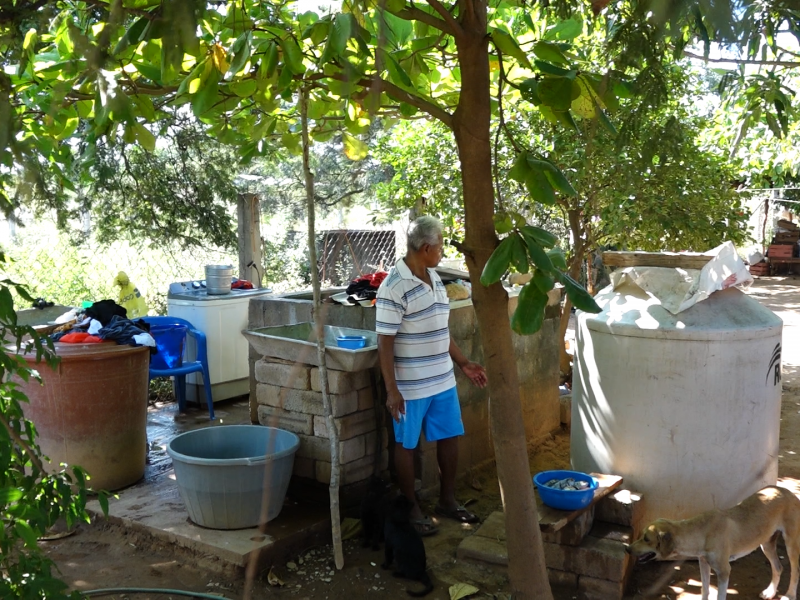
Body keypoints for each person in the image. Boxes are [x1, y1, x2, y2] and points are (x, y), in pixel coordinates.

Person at [376, 216, 488, 536]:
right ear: (426, 248)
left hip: (442, 379)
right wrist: (392, 390)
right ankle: (411, 507)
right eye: (439, 247)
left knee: (449, 436)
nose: (441, 251)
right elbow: (385, 342)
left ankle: (447, 501)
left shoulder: (434, 278)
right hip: (410, 385)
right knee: (406, 444)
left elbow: (441, 329)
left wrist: (463, 363)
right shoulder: (393, 287)